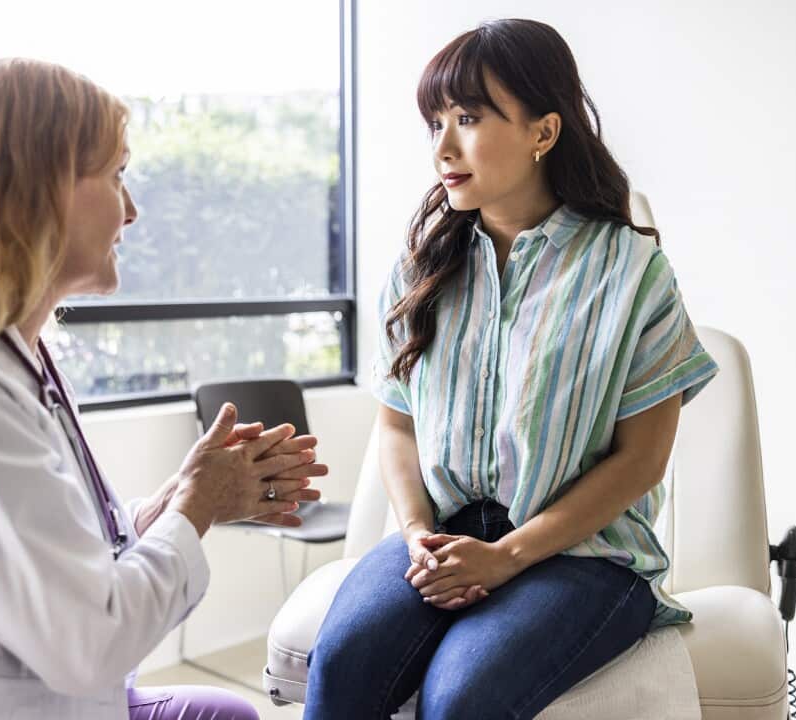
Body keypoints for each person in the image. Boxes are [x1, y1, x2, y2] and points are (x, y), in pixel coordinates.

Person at [0, 57, 326, 720]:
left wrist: (167, 505)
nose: (131, 211)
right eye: (116, 176)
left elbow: (58, 549)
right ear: (38, 189)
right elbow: (90, 642)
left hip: (50, 695)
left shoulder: (16, 357)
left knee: (227, 714)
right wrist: (196, 507)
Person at [305, 19, 719, 719]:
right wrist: (417, 536)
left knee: (461, 697)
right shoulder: (419, 271)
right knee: (342, 662)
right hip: (444, 531)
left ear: (543, 132)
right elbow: (397, 428)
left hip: (588, 555)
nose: (443, 146)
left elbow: (641, 461)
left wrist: (507, 556)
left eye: (468, 119)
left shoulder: (632, 272)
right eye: (435, 122)